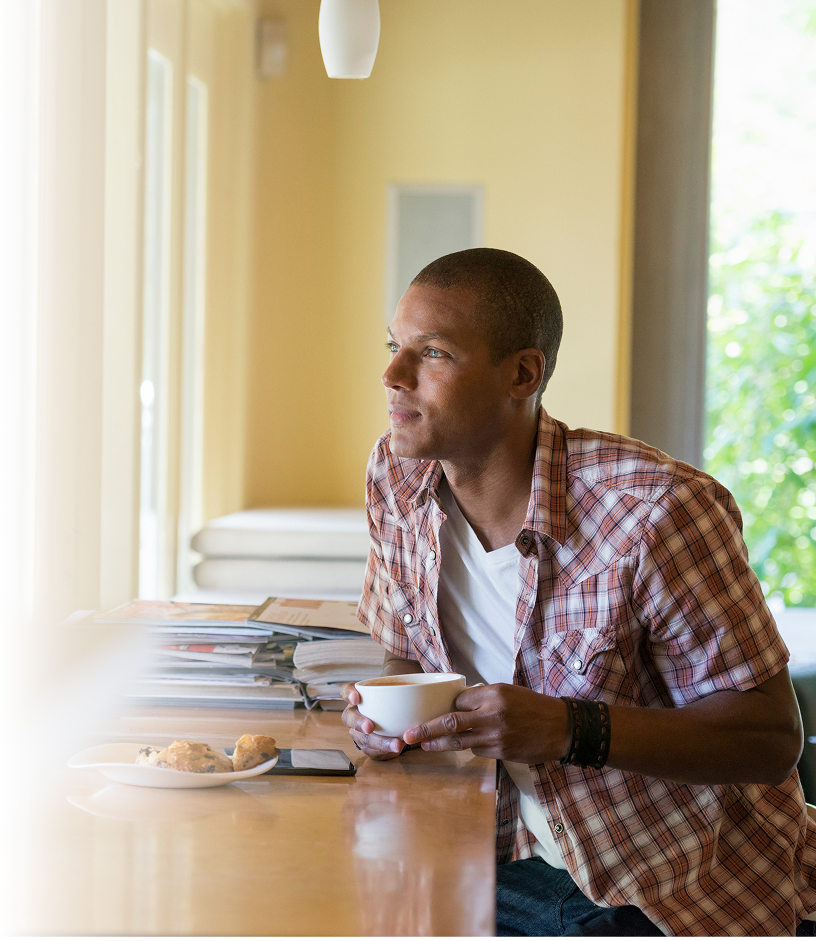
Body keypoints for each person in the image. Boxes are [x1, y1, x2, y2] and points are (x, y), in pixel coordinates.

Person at [342, 247, 816, 936]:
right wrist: (387, 713)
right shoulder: (396, 474)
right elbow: (405, 653)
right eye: (394, 347)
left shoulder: (656, 510)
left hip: (666, 892)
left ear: (523, 374)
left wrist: (569, 728)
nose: (392, 375)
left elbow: (770, 737)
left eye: (433, 352)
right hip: (495, 856)